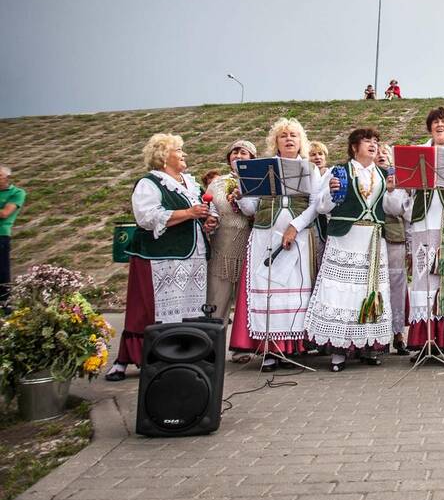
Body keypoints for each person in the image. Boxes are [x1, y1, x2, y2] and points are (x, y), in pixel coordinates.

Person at [106, 134, 216, 381]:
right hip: (160, 257)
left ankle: (180, 355)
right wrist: (189, 212)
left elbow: (192, 215)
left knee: (187, 306)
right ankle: (126, 359)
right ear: (164, 156)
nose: (184, 154)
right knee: (147, 308)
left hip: (191, 255)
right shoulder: (149, 183)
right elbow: (146, 217)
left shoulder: (189, 182)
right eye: (179, 150)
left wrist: (204, 220)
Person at [384, 107, 444, 365]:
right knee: (425, 280)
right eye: (435, 122)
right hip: (424, 224)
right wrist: (397, 188)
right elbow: (403, 198)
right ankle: (426, 341)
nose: (440, 125)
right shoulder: (417, 152)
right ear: (430, 128)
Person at [237, 118, 323, 372]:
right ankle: (271, 350)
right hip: (265, 236)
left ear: (301, 141)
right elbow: (251, 207)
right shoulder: (261, 168)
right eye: (283, 135)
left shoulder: (309, 168)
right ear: (275, 140)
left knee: (295, 290)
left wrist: (295, 227)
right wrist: (241, 194)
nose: (288, 139)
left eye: (294, 135)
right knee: (269, 289)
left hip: (297, 237)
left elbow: (315, 204)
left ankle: (294, 347)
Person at [306, 128, 394, 371]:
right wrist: (332, 192)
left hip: (373, 239)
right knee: (342, 293)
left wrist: (395, 190)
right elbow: (321, 207)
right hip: (346, 238)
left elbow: (391, 207)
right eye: (367, 141)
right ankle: (339, 351)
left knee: (369, 291)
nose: (373, 144)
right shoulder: (339, 171)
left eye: (376, 141)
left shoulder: (383, 173)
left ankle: (367, 346)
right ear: (354, 146)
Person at [205, 140, 257, 360]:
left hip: (250, 243)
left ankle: (240, 348)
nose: (237, 155)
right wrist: (209, 220)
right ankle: (210, 347)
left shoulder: (257, 180)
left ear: (252, 159)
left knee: (245, 299)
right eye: (234, 152)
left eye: (243, 152)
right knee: (217, 297)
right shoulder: (217, 183)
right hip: (223, 245)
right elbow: (210, 207)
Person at [378, 144, 409, 355]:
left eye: (385, 153)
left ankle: (398, 334)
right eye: (378, 152)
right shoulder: (367, 178)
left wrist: (391, 190)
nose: (381, 156)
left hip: (394, 238)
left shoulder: (399, 180)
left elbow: (402, 211)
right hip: (372, 238)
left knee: (397, 288)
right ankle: (378, 337)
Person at [0, 166, 27, 307]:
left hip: (1, 234)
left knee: (2, 271)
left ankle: (5, 304)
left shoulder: (17, 193)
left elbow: (5, 213)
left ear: (6, 177)